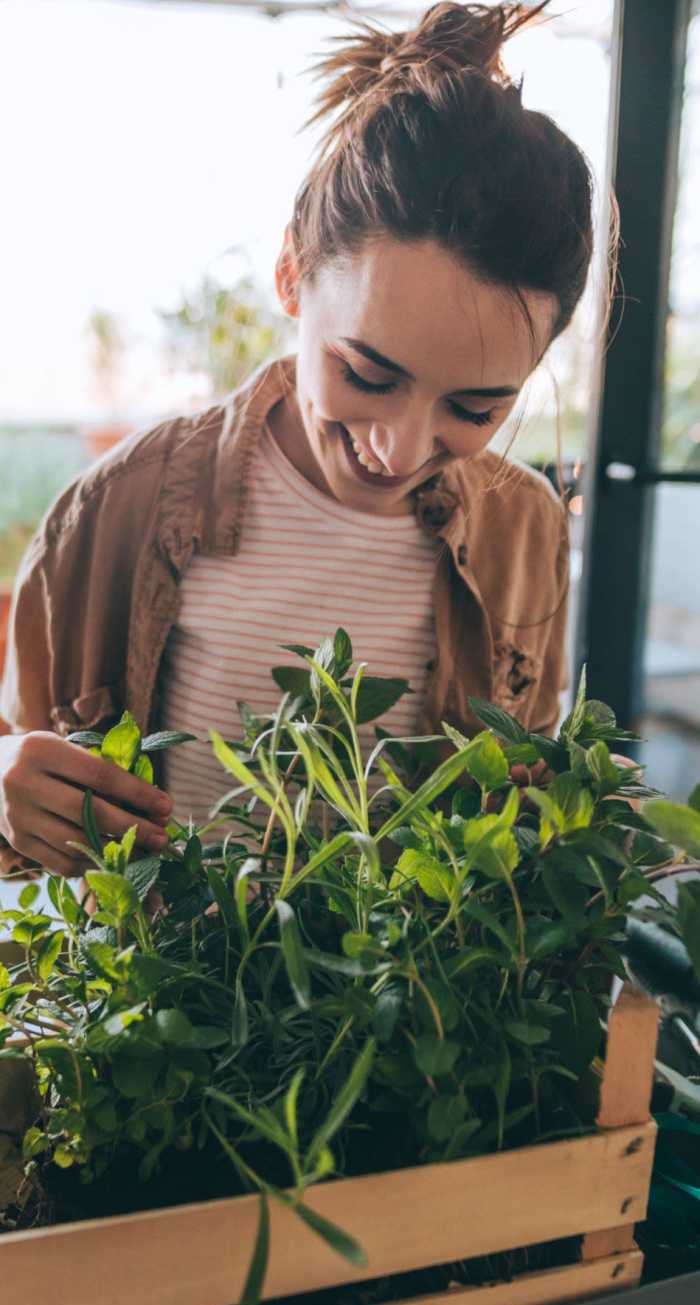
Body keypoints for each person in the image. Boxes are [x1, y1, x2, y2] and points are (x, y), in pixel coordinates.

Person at [0, 1, 617, 878]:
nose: (400, 451)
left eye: (474, 410)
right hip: (166, 1004)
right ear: (291, 273)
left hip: (417, 1020)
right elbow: (22, 786)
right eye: (368, 375)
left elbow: (526, 820)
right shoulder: (116, 508)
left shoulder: (529, 531)